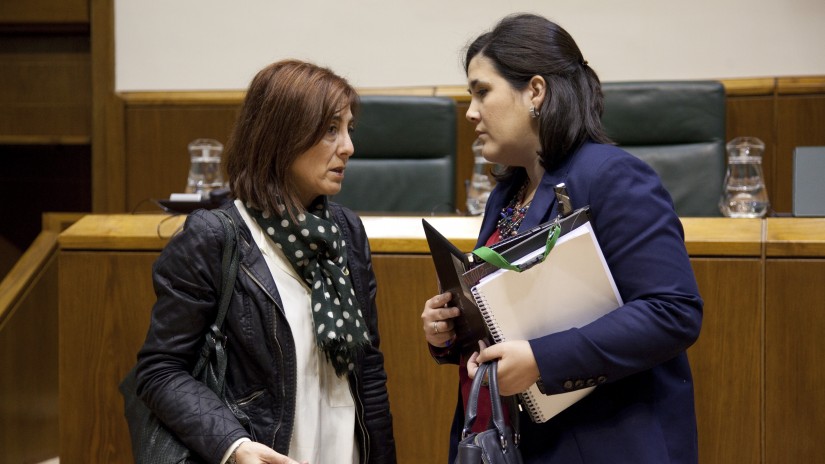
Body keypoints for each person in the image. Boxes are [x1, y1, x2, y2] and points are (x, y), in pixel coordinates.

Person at [421, 13, 703, 464]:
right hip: (515, 440)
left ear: (535, 91)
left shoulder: (613, 176)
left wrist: (540, 360)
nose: (471, 111)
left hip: (603, 443)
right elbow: (510, 306)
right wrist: (452, 329)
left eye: (481, 91)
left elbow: (673, 312)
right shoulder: (506, 193)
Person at [135, 59, 397, 464]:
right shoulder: (214, 237)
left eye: (348, 129)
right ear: (282, 135)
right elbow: (160, 371)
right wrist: (233, 446)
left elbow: (369, 373)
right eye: (331, 129)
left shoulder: (346, 231)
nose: (348, 146)